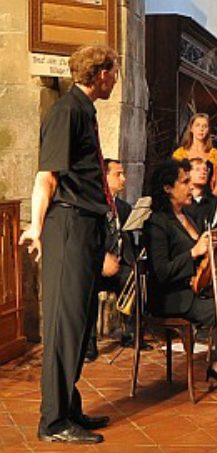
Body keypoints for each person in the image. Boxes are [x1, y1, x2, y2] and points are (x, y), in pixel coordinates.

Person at [19, 45, 118, 444]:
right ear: (100, 73)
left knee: (79, 323)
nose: (115, 78)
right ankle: (53, 421)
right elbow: (47, 176)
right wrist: (36, 228)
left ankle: (69, 405)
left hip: (86, 225)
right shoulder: (67, 111)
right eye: (113, 71)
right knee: (64, 325)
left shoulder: (84, 110)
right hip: (68, 226)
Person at [144, 160, 217, 413]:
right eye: (184, 182)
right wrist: (195, 252)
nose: (190, 186)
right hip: (172, 295)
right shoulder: (157, 223)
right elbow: (161, 272)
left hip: (198, 286)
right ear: (167, 188)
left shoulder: (188, 216)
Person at [85, 159, 142, 362]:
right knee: (88, 288)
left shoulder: (124, 208)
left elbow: (126, 238)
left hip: (118, 265)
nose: (123, 178)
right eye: (118, 174)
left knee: (132, 278)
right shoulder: (94, 206)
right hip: (96, 267)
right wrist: (101, 259)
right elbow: (89, 240)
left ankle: (130, 333)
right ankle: (89, 344)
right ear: (104, 177)